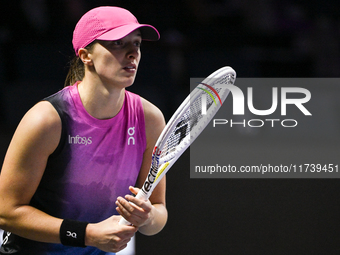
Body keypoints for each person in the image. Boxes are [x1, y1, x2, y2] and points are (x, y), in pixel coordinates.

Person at [0, 6, 167, 254]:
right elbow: (7, 213)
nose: (133, 53)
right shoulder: (47, 120)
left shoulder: (150, 119)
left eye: (137, 44)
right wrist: (87, 235)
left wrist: (148, 217)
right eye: (119, 43)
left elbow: (158, 211)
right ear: (86, 55)